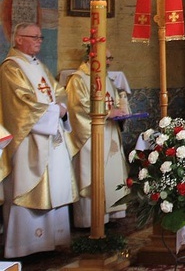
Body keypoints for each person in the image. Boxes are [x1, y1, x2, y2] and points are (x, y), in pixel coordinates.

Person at [0, 23, 78, 258]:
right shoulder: (10, 68)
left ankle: (53, 241)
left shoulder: (38, 66)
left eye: (40, 37)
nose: (39, 40)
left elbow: (59, 90)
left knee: (55, 183)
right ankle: (23, 246)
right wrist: (56, 111)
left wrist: (62, 106)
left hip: (51, 136)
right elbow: (20, 104)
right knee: (28, 184)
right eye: (34, 37)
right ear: (18, 39)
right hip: (28, 140)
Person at [66, 48, 128, 228]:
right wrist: (109, 112)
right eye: (105, 58)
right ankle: (90, 219)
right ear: (92, 57)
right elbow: (78, 107)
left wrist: (122, 111)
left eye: (110, 58)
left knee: (112, 172)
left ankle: (112, 213)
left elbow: (115, 101)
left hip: (110, 131)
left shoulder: (106, 78)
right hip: (90, 135)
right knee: (92, 172)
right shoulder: (78, 79)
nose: (109, 62)